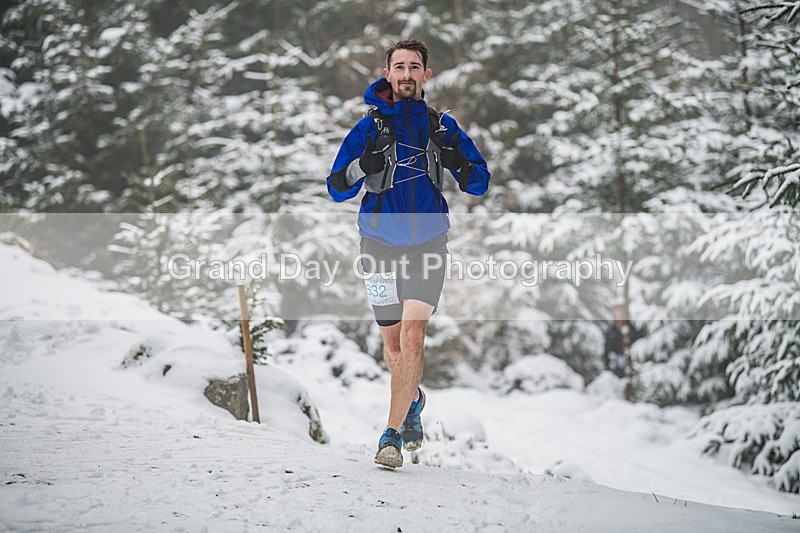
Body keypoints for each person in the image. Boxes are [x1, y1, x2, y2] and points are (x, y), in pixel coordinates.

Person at [326, 39, 490, 468]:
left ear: (425, 75)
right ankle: (412, 397)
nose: (406, 73)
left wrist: (459, 162)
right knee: (394, 348)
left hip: (428, 245)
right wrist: (364, 167)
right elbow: (336, 187)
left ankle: (391, 436)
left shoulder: (441, 127)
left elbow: (479, 183)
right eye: (398, 66)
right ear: (387, 74)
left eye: (414, 67)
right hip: (378, 245)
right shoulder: (369, 128)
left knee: (414, 337)